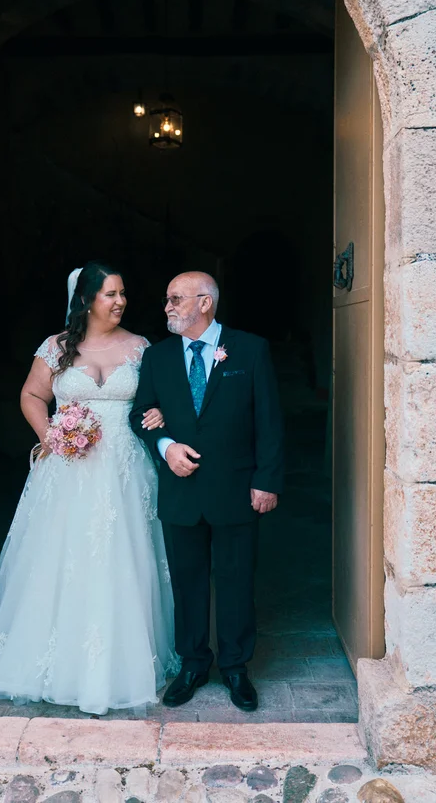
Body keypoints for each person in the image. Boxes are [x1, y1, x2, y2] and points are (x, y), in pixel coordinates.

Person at [0, 262, 178, 715]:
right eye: (110, 294)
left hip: (124, 470)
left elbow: (157, 401)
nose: (120, 302)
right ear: (85, 300)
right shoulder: (56, 347)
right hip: (67, 471)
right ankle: (50, 662)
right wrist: (51, 435)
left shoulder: (140, 347)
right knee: (59, 560)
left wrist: (157, 415)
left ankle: (120, 663)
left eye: (122, 293)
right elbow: (31, 396)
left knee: (124, 558)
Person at [130, 271, 283, 712]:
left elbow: (269, 420)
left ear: (205, 303)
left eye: (176, 299)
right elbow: (139, 412)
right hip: (180, 491)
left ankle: (236, 667)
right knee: (187, 581)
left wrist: (267, 479)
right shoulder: (157, 358)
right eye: (167, 299)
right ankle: (193, 664)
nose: (168, 307)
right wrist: (165, 445)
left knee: (237, 580)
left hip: (237, 487)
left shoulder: (250, 349)